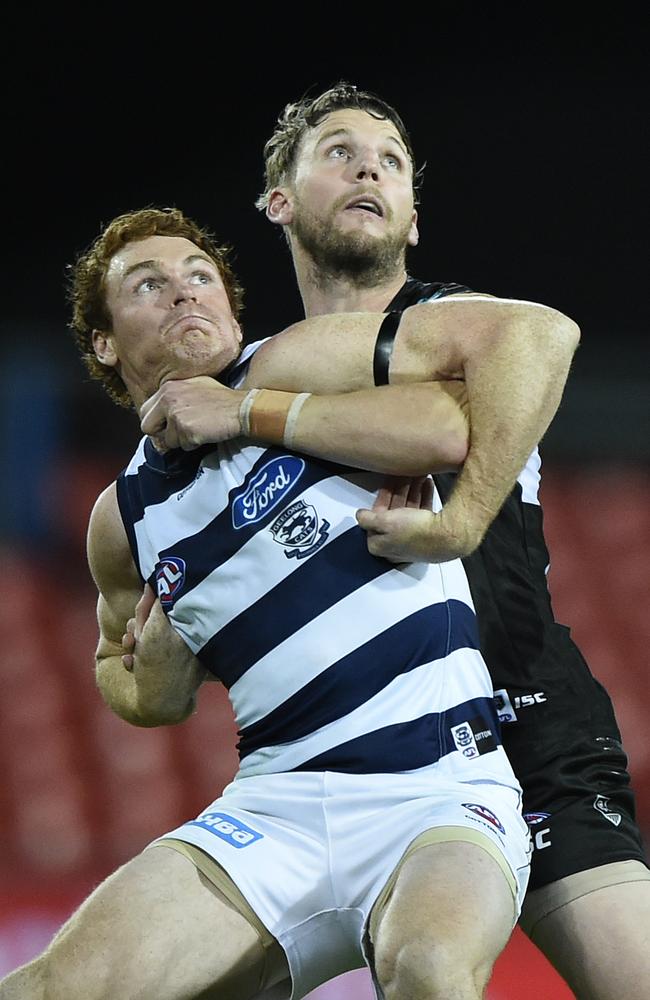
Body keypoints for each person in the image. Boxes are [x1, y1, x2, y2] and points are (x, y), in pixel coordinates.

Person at [138, 83, 650, 1000]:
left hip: (524, 714)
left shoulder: (454, 328)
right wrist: (168, 661)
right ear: (279, 201)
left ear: (413, 218)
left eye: (392, 160)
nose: (369, 165)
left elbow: (544, 332)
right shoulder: (260, 367)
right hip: (361, 759)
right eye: (338, 150)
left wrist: (459, 521)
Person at [0, 207, 556, 1000]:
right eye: (149, 286)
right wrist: (154, 684)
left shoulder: (297, 358)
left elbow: (448, 421)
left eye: (200, 276)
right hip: (276, 803)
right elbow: (121, 675)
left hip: (439, 788)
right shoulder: (120, 519)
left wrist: (250, 412)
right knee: (51, 990)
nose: (184, 294)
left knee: (429, 967)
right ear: (104, 342)